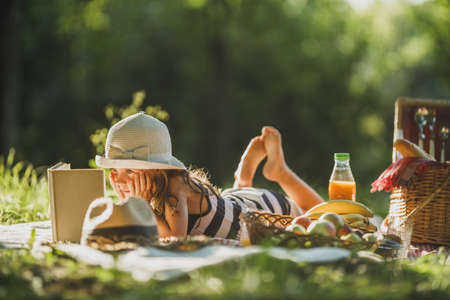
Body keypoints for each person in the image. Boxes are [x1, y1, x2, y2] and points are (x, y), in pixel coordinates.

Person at [95, 112, 324, 239]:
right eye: (116, 171)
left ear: (157, 168)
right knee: (231, 205)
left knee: (321, 211)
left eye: (131, 171)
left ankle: (280, 172)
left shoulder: (174, 188)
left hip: (260, 209)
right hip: (233, 204)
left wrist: (141, 206)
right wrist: (133, 204)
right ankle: (243, 179)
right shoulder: (157, 187)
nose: (121, 180)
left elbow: (174, 240)